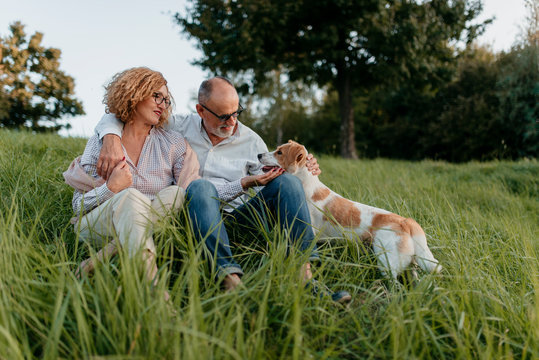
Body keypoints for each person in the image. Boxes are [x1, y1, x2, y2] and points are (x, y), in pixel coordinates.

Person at [95, 76, 351, 303]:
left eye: (236, 113)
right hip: (193, 221)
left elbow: (282, 168)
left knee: (289, 183)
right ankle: (230, 282)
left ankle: (304, 278)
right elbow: (124, 112)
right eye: (223, 116)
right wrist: (110, 138)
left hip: (240, 221)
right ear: (200, 110)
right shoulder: (177, 126)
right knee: (201, 187)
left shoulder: (252, 141)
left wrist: (304, 164)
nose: (232, 122)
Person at [64, 67, 199, 299]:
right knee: (129, 196)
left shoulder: (173, 144)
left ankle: (104, 256)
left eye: (166, 100)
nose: (163, 104)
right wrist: (110, 188)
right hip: (96, 226)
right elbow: (77, 206)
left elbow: (189, 194)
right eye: (156, 96)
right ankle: (154, 291)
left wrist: (244, 184)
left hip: (143, 224)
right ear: (135, 93)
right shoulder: (102, 142)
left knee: (177, 194)